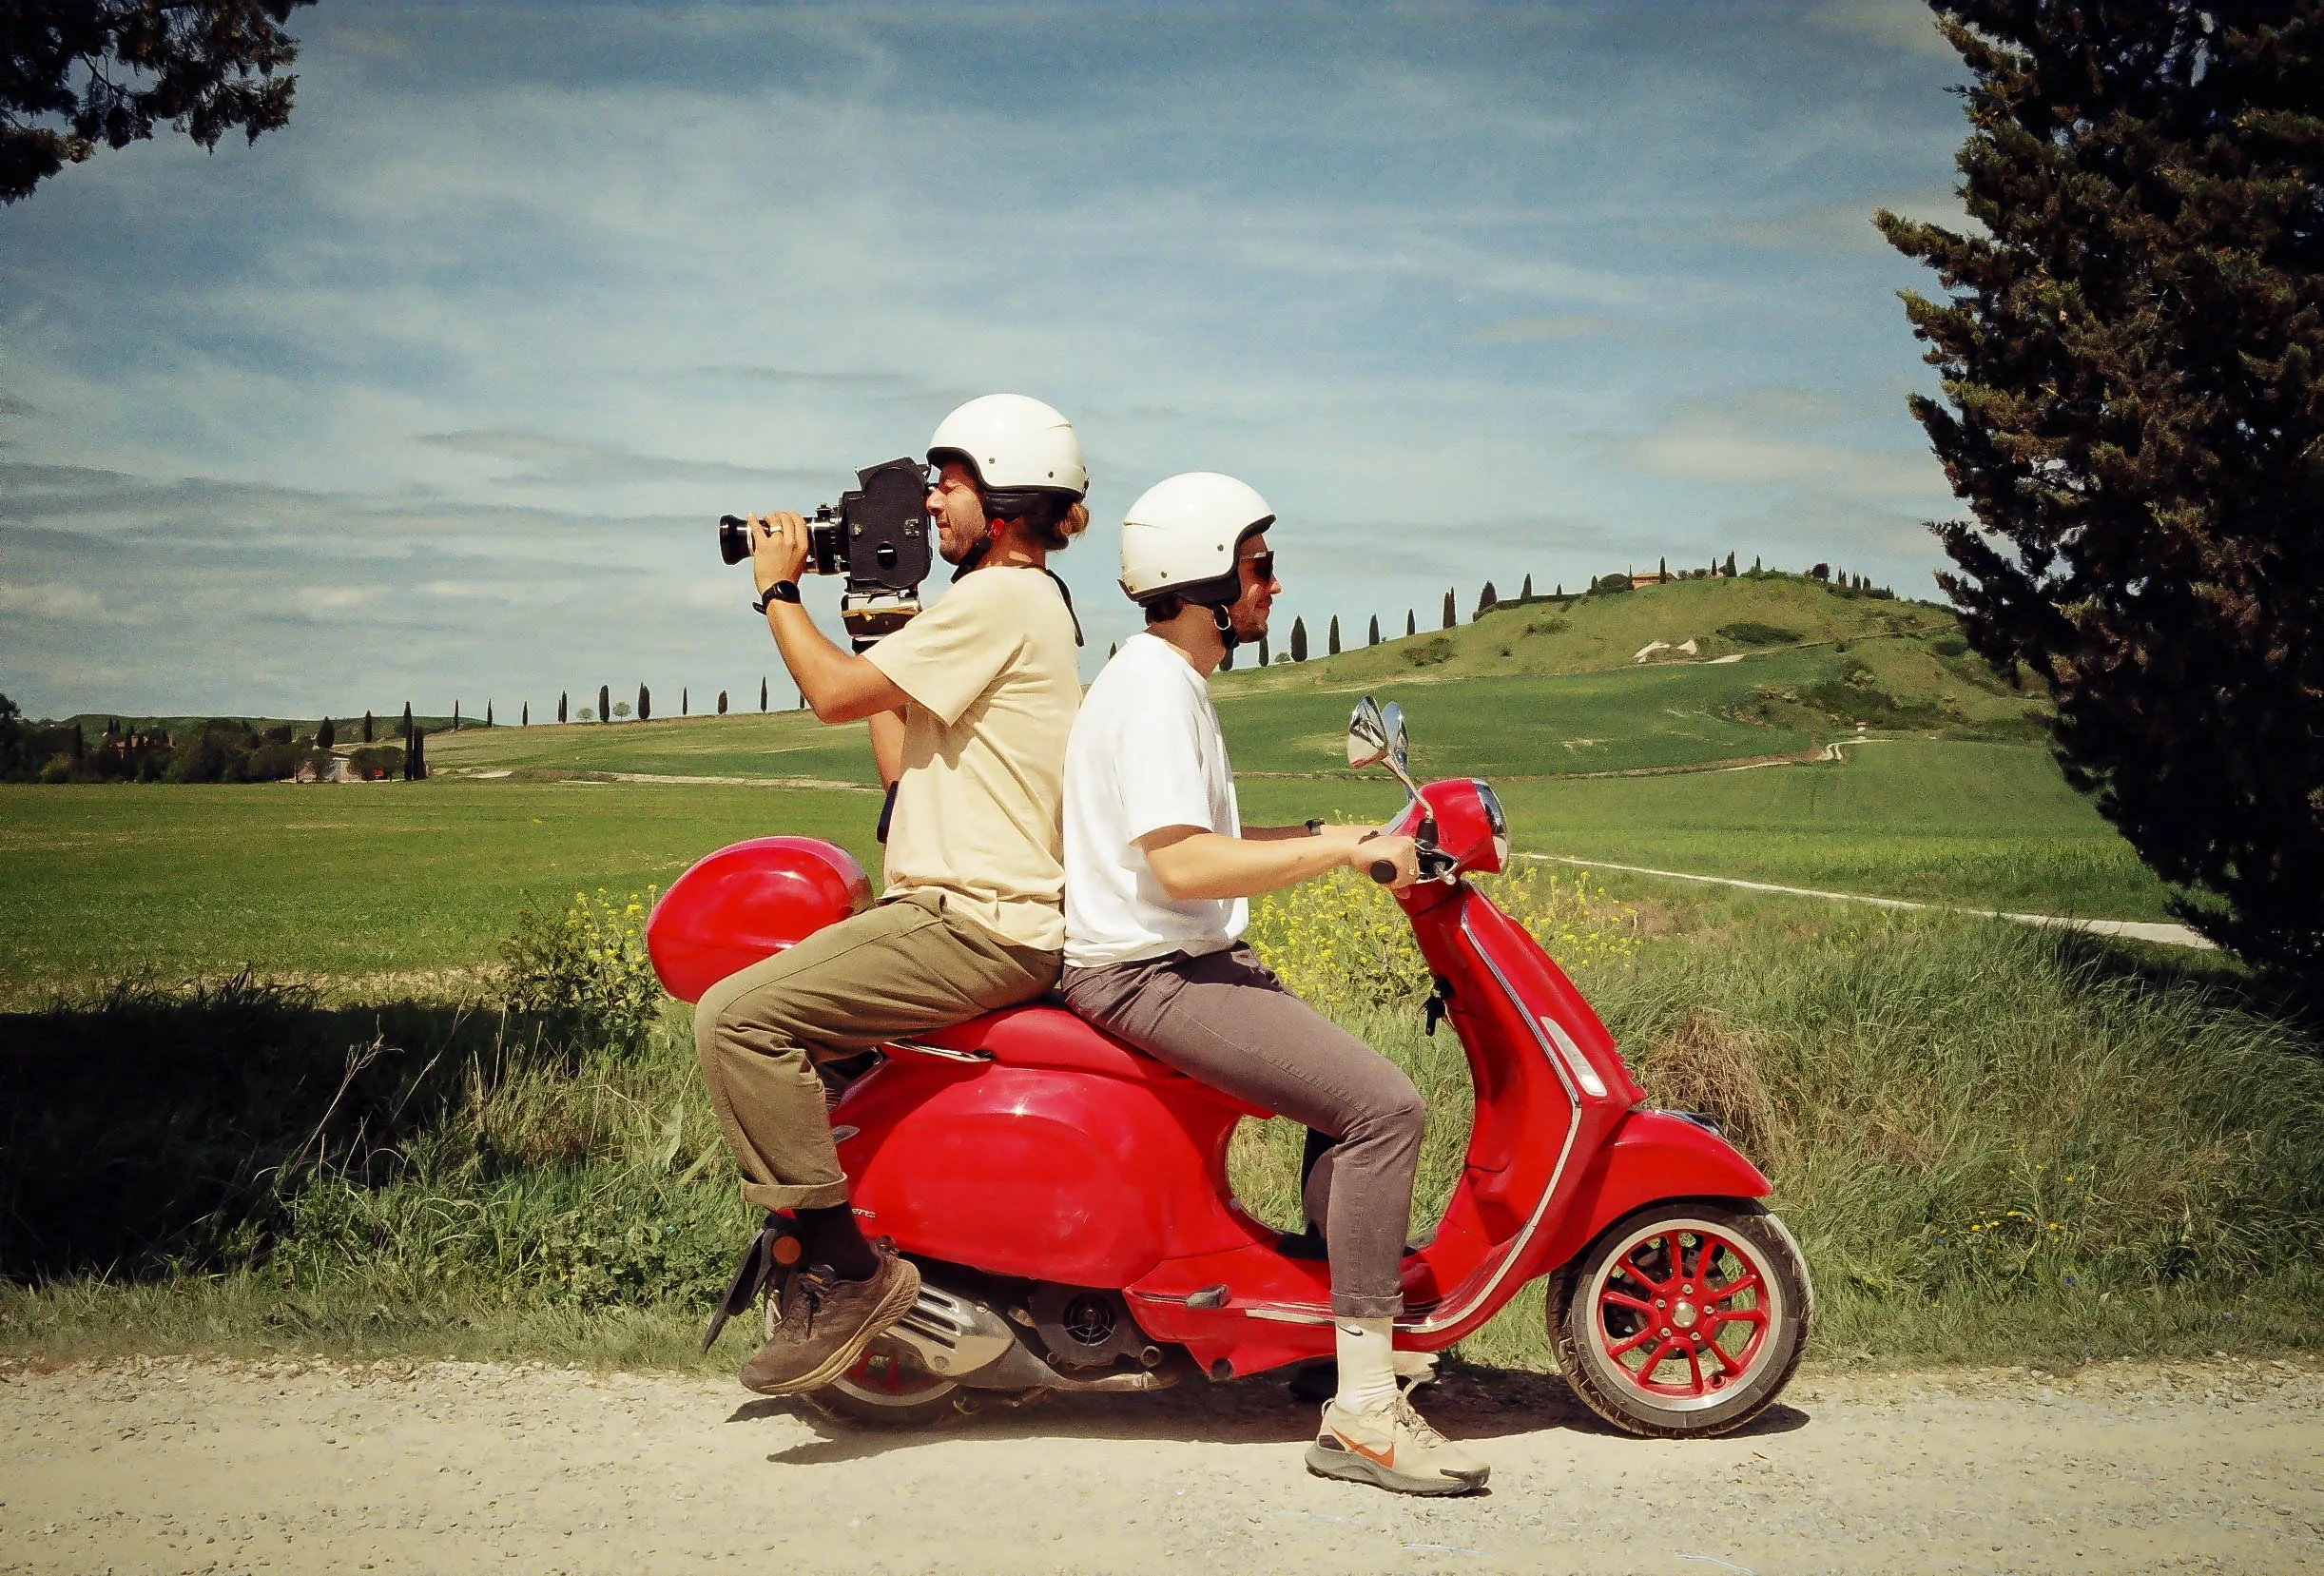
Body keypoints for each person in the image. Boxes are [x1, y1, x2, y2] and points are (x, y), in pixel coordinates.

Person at [1057, 472, 1489, 1496]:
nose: (1273, 587)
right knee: (1382, 1107)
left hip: (1177, 958)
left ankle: (1331, 1350)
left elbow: (1195, 841)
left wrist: (1325, 833)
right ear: (1201, 579)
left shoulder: (1158, 680)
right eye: (1257, 568)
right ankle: (1363, 1412)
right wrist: (1335, 857)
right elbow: (1183, 867)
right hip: (1144, 974)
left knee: (1342, 1100)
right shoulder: (1156, 691)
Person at [695, 393, 1089, 1397]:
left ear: (1002, 500)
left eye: (948, 484)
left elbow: (827, 698)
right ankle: (854, 1248)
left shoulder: (1000, 599)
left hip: (973, 921)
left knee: (736, 1019)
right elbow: (898, 767)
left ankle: (841, 1273)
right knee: (799, 1038)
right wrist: (876, 627)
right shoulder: (1006, 606)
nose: (929, 504)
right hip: (962, 912)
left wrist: (779, 592)